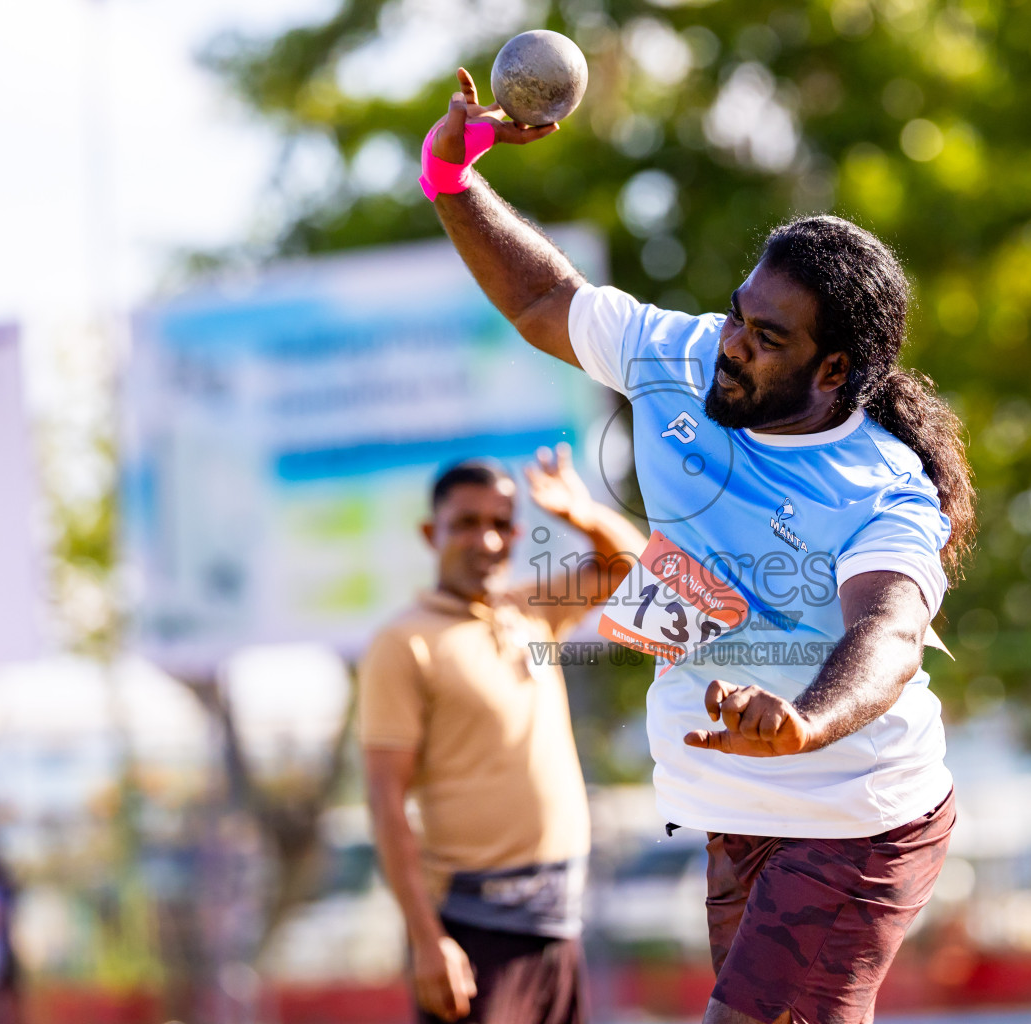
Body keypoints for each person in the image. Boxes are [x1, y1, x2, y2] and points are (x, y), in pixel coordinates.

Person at [423, 69, 977, 1024]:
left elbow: (886, 632)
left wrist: (802, 719)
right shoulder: (676, 356)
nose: (731, 344)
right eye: (736, 313)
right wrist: (453, 182)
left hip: (857, 815)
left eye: (767, 338)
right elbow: (543, 301)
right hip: (735, 806)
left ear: (832, 369)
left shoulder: (884, 485)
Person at [360, 449, 645, 1024]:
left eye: (500, 525)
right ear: (430, 532)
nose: (486, 541)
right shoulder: (404, 642)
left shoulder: (531, 610)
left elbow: (637, 570)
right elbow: (385, 801)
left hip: (557, 924)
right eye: (466, 523)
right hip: (472, 928)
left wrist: (583, 514)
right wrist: (425, 939)